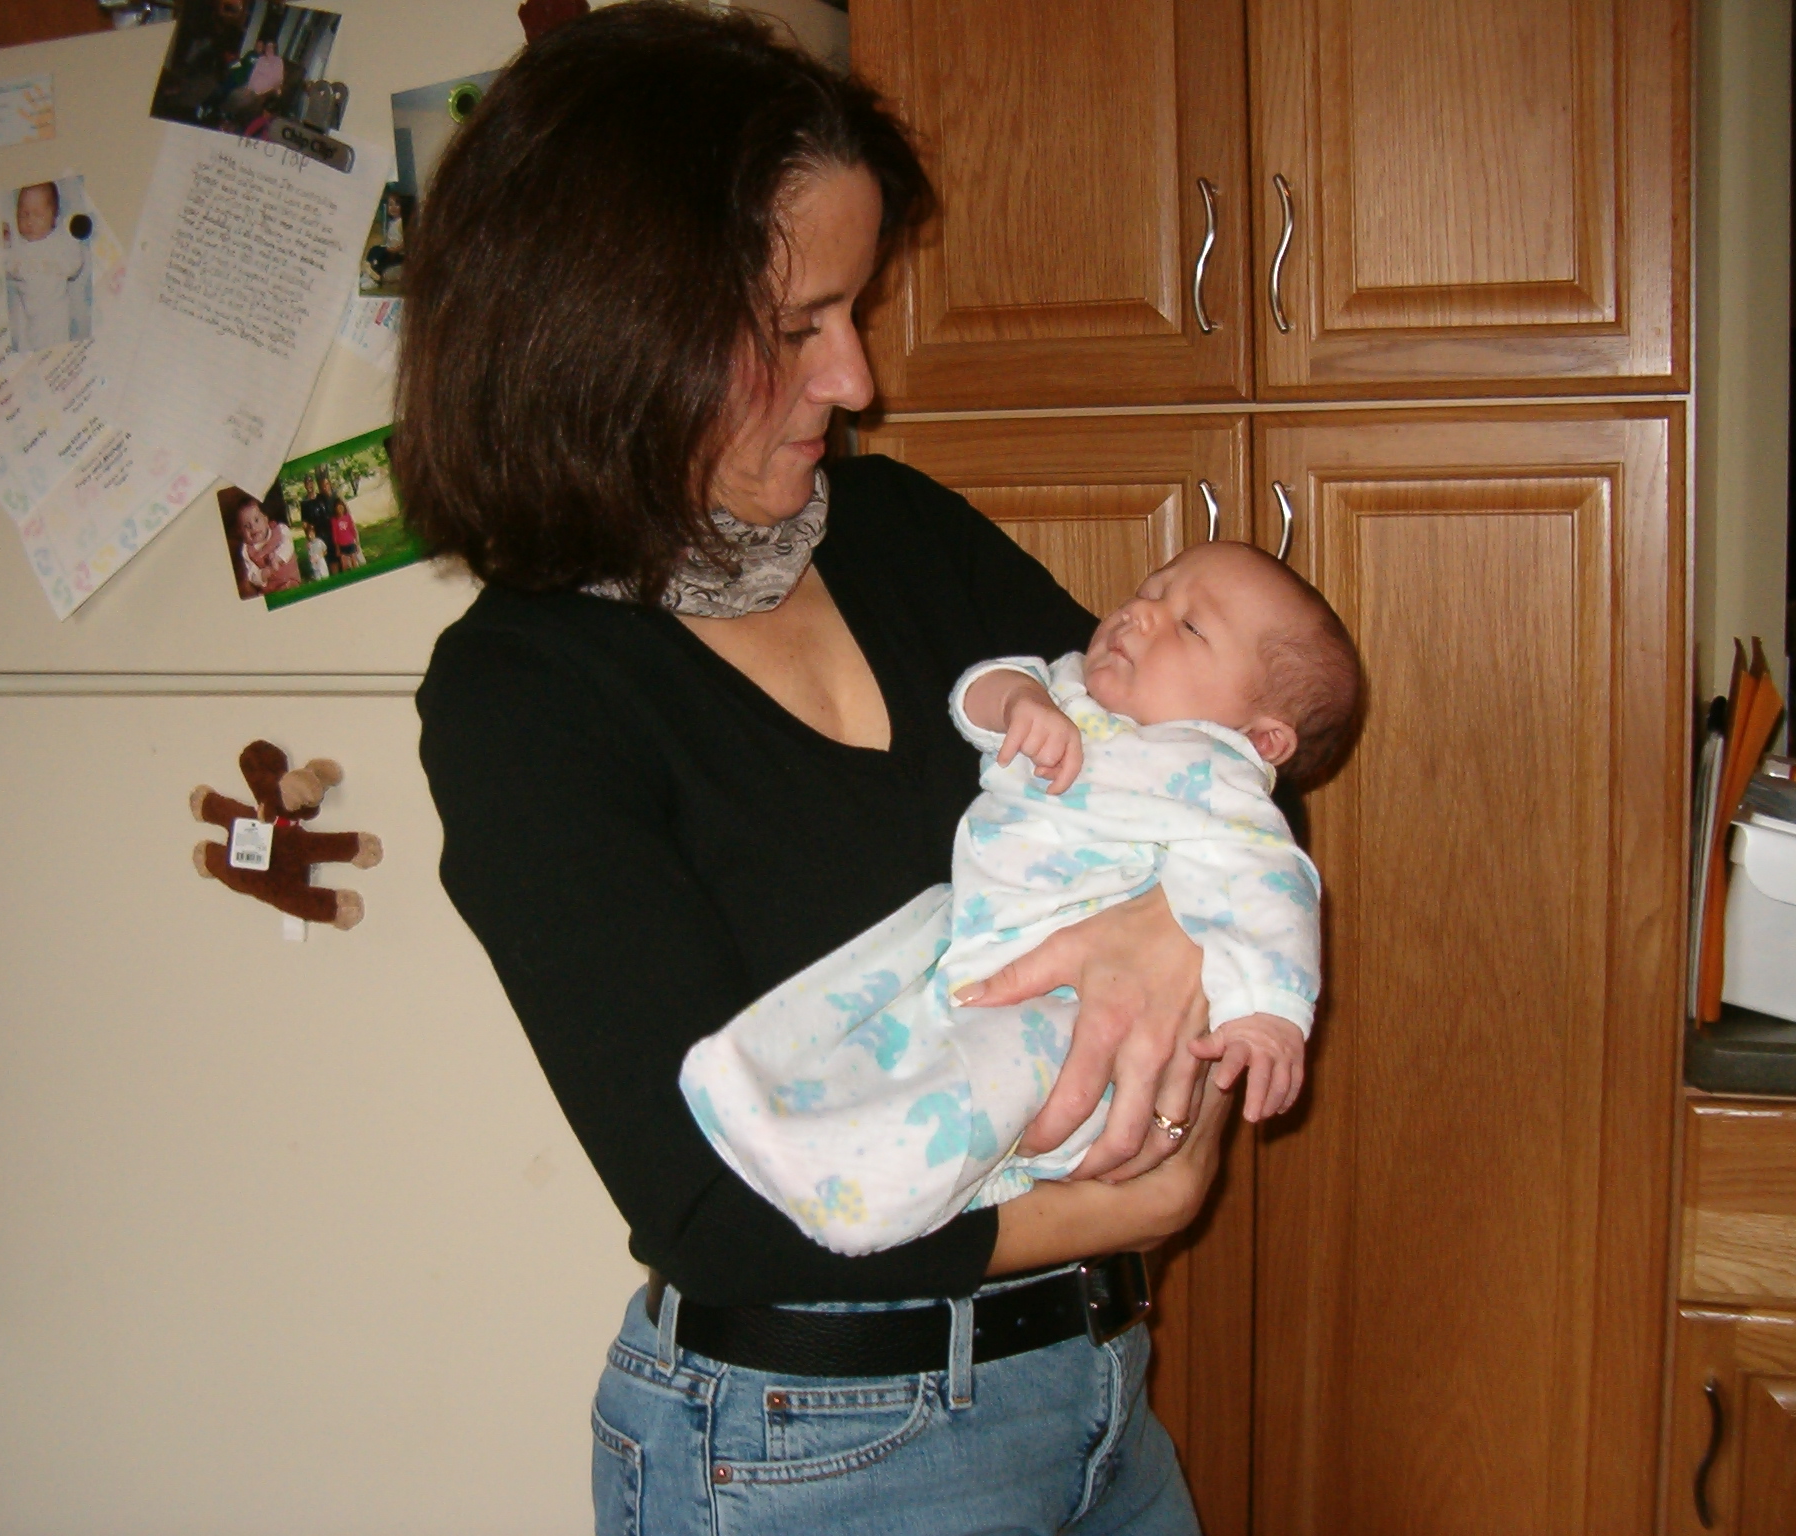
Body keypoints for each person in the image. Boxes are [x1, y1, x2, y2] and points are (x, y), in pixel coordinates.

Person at [405, 6, 1234, 1530]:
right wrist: (1139, 1201)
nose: (854, 379)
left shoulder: (902, 534)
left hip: (1099, 1394)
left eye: (853, 312)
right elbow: (712, 1209)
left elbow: (1215, 761)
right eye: (797, 327)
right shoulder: (526, 698)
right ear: (608, 327)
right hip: (817, 1453)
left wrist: (1174, 926)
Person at [684, 541, 1363, 1255]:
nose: (1141, 614)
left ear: (1262, 740)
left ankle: (866, 1198)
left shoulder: (1220, 779)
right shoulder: (1071, 688)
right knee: (868, 1006)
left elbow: (1275, 892)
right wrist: (1021, 701)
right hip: (970, 940)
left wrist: (1271, 1015)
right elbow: (976, 695)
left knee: (981, 1079)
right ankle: (762, 1094)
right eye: (1151, 591)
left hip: (1069, 1009)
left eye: (1191, 626)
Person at [1, 182, 86, 353]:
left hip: (54, 312)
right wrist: (6, 244)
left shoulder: (58, 242)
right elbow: (8, 267)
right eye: (23, 215)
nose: (29, 221)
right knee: (27, 348)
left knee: (57, 350)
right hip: (28, 313)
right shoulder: (19, 247)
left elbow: (74, 265)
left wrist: (72, 241)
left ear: (54, 218)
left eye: (38, 215)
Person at [231, 495, 298, 596]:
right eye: (246, 526)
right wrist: (265, 573)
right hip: (271, 589)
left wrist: (277, 558)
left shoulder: (280, 530)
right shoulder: (246, 551)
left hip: (290, 579)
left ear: (266, 520)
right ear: (240, 532)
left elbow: (288, 545)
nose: (253, 527)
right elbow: (251, 574)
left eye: (256, 520)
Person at [322, 475, 364, 569]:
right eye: (323, 485)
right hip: (340, 539)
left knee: (355, 559)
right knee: (345, 563)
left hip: (349, 539)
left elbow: (352, 526)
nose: (325, 487)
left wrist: (356, 540)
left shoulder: (336, 495)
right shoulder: (323, 499)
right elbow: (335, 534)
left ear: (330, 485)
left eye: (327, 484)